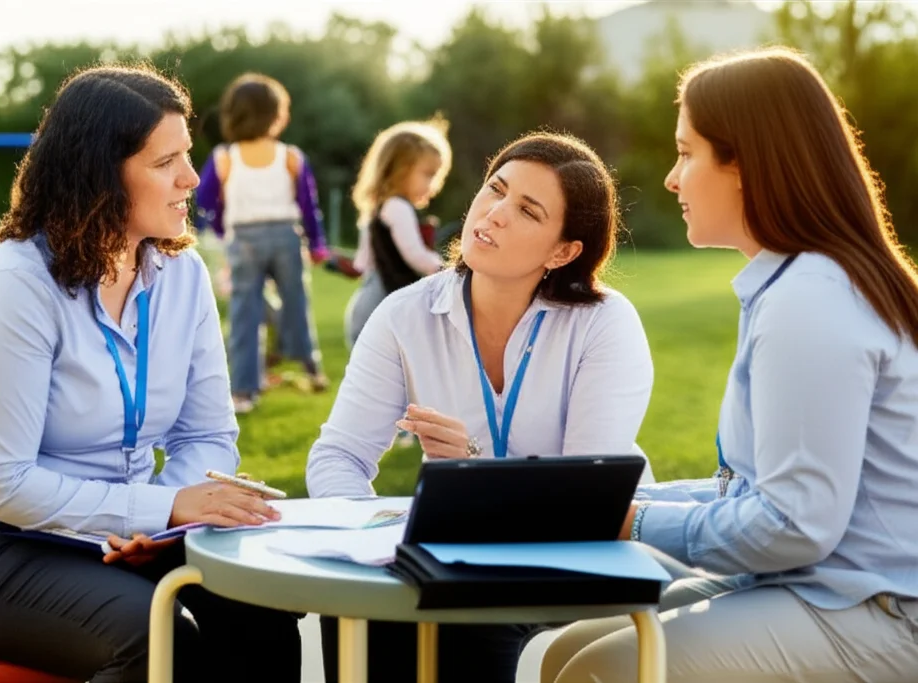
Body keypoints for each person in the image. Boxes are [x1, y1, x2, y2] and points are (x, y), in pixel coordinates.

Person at [0, 64, 302, 683]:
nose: (191, 179)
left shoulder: (183, 277)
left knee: (262, 610)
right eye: (167, 162)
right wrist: (155, 509)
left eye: (187, 155)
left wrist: (166, 522)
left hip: (127, 537)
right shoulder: (14, 287)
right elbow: (1, 483)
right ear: (101, 176)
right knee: (155, 638)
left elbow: (206, 435)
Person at [542, 46, 918, 683]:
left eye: (686, 153)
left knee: (602, 671)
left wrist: (628, 520)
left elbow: (795, 524)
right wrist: (602, 497)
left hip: (881, 610)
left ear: (742, 162)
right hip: (832, 586)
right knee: (564, 653)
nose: (670, 176)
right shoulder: (800, 283)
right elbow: (752, 493)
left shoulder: (811, 298)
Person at [307, 131, 656, 683]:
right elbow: (338, 455)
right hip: (460, 555)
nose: (493, 213)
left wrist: (473, 466)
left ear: (563, 251)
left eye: (527, 210)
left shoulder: (605, 324)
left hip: (582, 554)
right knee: (359, 604)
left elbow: (585, 497)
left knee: (465, 624)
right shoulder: (404, 315)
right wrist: (369, 537)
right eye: (495, 190)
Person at [194, 72, 328, 414]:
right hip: (285, 235)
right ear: (276, 115)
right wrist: (317, 244)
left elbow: (205, 200)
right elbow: (307, 205)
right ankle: (311, 367)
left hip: (243, 239)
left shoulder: (225, 157)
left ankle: (243, 392)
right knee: (296, 303)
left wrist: (222, 230)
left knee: (245, 315)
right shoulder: (290, 156)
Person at [344, 118, 452, 348]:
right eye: (427, 174)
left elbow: (364, 261)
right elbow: (414, 255)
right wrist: (446, 269)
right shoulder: (398, 207)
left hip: (368, 297)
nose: (433, 184)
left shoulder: (379, 206)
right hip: (384, 298)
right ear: (400, 170)